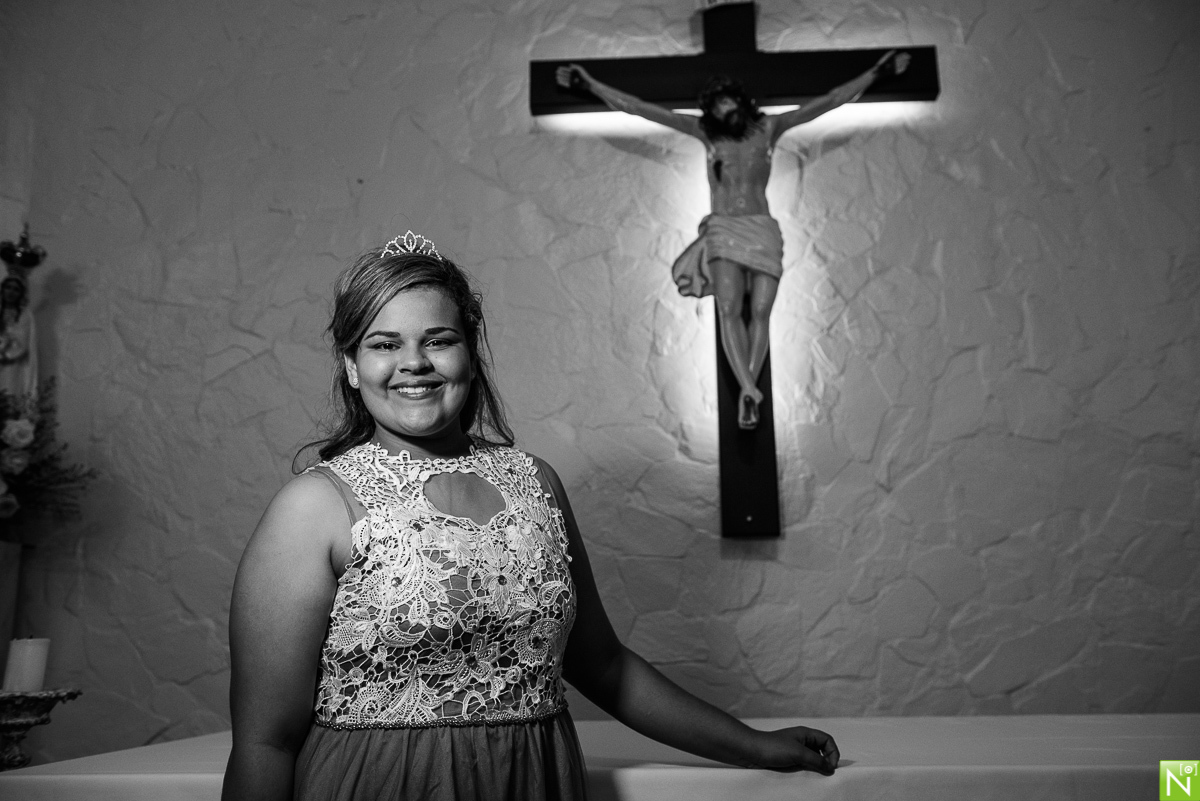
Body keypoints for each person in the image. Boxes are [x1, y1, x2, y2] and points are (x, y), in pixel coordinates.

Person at [222, 232, 840, 800]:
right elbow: (264, 741)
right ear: (354, 368)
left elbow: (606, 667)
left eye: (438, 340)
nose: (414, 363)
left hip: (534, 779)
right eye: (385, 345)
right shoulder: (311, 508)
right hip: (381, 785)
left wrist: (755, 745)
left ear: (471, 355)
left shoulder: (534, 482)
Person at [557, 51, 910, 429]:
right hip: (724, 229)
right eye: (720, 103)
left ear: (743, 101)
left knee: (760, 312)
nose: (728, 107)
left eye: (732, 99)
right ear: (712, 111)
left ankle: (748, 385)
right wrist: (589, 83)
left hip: (762, 228)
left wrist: (876, 73)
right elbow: (640, 108)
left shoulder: (770, 129)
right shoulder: (704, 133)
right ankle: (748, 389)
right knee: (728, 309)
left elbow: (829, 101)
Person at [0, 275, 37, 399]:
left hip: (10, 364)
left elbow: (23, 343)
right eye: (8, 287)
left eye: (16, 289)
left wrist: (5, 353)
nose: (11, 292)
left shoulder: (24, 315)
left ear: (21, 293)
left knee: (8, 395)